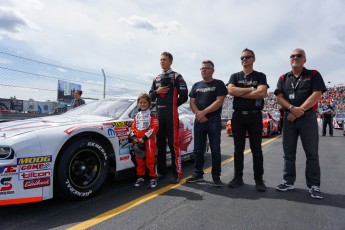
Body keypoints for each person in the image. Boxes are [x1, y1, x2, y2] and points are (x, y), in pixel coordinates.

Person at [274, 48, 326, 199]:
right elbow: (279, 97)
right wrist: (291, 109)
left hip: (307, 118)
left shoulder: (313, 74)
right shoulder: (283, 77)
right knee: (288, 153)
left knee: (312, 153)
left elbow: (317, 94)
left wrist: (300, 110)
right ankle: (288, 181)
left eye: (299, 55)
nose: (295, 57)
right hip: (289, 119)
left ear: (305, 59)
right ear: (290, 59)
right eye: (292, 55)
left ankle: (314, 185)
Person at [227, 48, 268, 192]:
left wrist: (241, 92)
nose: (244, 59)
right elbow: (231, 91)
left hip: (254, 116)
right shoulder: (234, 76)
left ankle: (259, 180)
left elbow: (262, 92)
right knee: (238, 149)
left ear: (253, 59)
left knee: (256, 149)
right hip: (238, 116)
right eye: (242, 58)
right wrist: (251, 89)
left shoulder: (260, 76)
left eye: (247, 57)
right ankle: (238, 177)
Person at [186, 60, 227, 187]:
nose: (203, 70)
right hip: (199, 121)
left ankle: (216, 177)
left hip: (213, 120)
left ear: (212, 70)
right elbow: (192, 102)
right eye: (202, 68)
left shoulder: (218, 84)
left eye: (206, 68)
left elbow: (220, 100)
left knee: (215, 149)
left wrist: (204, 112)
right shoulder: (196, 85)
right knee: (198, 150)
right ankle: (198, 174)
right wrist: (199, 113)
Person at [149, 51, 188, 184]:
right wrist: (157, 92)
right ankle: (161, 172)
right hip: (159, 116)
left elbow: (184, 95)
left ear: (170, 61)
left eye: (164, 59)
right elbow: (149, 97)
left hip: (171, 115)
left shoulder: (176, 76)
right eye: (160, 60)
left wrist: (174, 105)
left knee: (173, 145)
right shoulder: (156, 78)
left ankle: (177, 173)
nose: (162, 61)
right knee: (160, 145)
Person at [130, 93, 159, 188]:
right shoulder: (137, 115)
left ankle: (153, 178)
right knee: (139, 160)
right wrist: (134, 138)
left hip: (149, 140)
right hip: (138, 140)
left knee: (151, 160)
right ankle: (140, 177)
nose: (142, 104)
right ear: (138, 104)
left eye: (145, 102)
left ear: (149, 103)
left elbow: (155, 127)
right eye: (141, 102)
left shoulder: (153, 114)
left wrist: (144, 138)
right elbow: (133, 127)